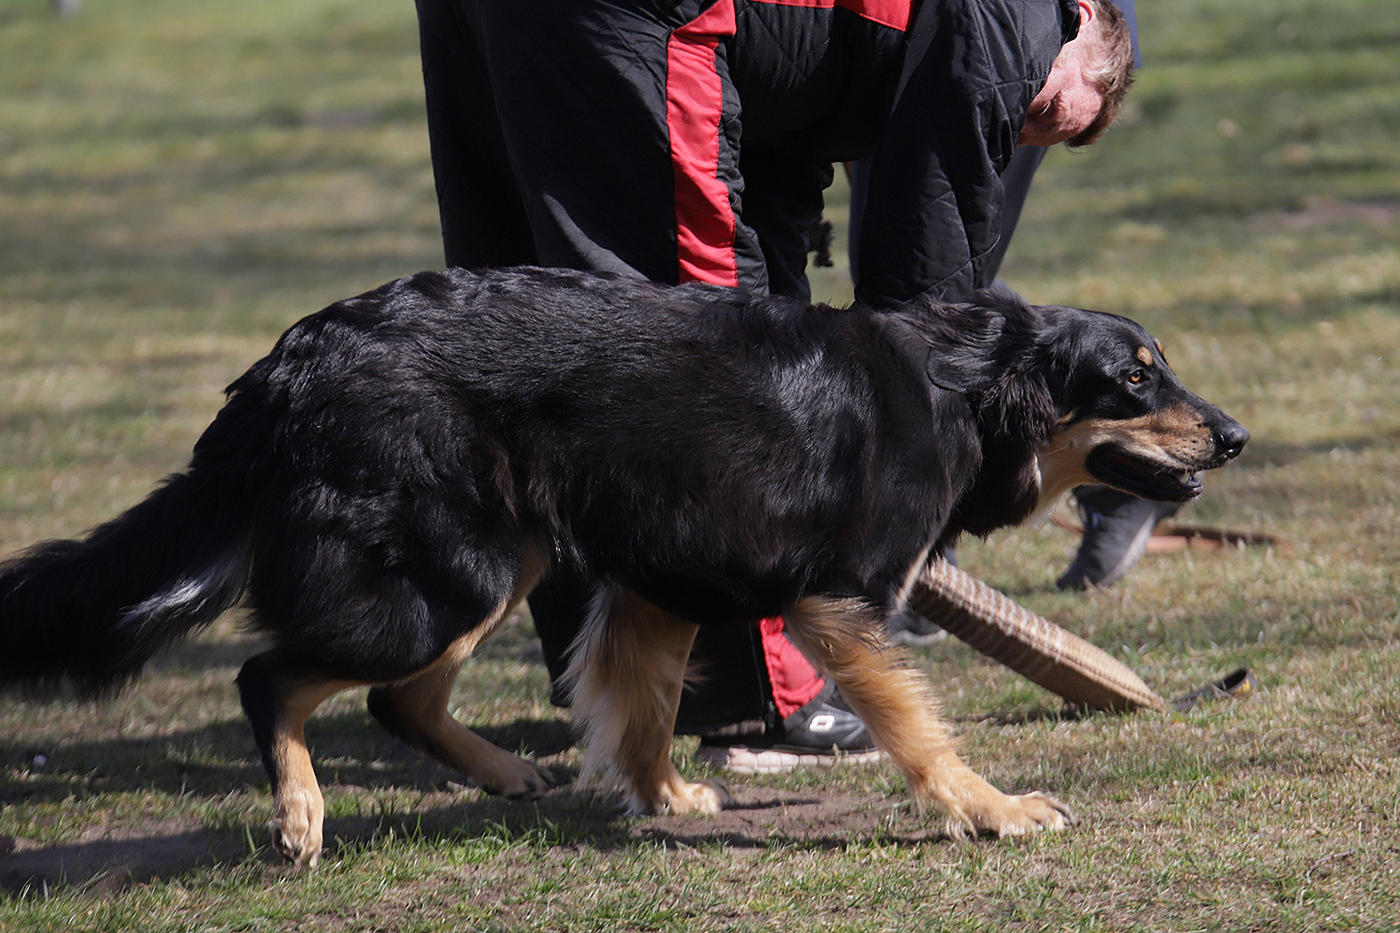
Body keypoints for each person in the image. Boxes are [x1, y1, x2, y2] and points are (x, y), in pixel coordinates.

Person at [412, 0, 1135, 772]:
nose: (1013, 120)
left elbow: (771, 177)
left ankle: (612, 685)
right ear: (1083, 16)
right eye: (1044, 108)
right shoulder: (1024, 16)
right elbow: (923, 299)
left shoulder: (858, 51)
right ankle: (761, 697)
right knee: (712, 374)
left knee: (541, 325)